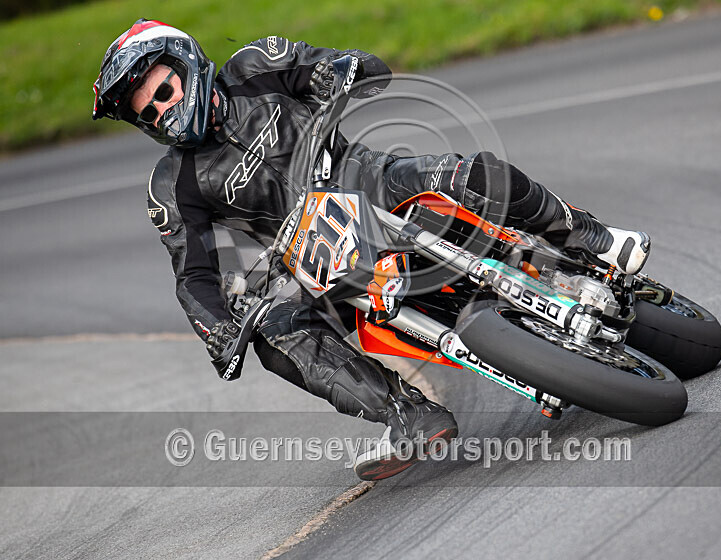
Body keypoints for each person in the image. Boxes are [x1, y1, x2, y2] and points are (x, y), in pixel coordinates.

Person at [92, 19, 650, 480]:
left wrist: (342, 72)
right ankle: (407, 413)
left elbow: (347, 66)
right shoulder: (170, 184)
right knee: (275, 332)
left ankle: (590, 238)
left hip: (370, 179)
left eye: (163, 93)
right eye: (148, 114)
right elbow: (192, 274)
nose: (162, 113)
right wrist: (218, 329)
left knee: (474, 174)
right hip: (308, 257)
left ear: (186, 64)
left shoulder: (255, 65)